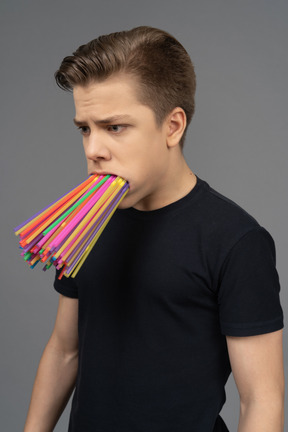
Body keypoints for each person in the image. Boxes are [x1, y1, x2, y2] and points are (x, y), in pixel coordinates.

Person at [24, 26, 284, 432]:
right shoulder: (83, 220)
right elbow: (64, 351)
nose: (93, 149)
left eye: (115, 127)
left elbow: (261, 399)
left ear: (173, 126)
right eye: (84, 128)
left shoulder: (236, 240)